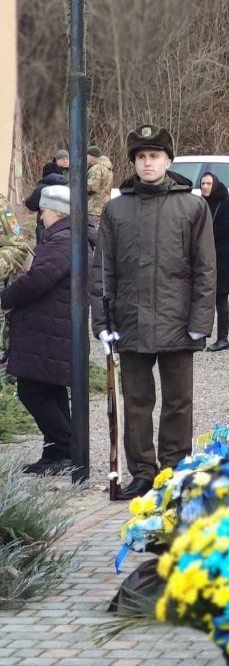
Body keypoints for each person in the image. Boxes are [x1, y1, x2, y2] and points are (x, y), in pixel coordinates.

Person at [91, 125, 215, 499]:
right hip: (130, 322)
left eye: (155, 156)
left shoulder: (192, 207)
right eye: (141, 157)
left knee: (178, 401)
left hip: (178, 321)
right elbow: (102, 271)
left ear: (168, 161)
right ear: (133, 162)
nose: (148, 163)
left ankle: (173, 468)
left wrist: (200, 322)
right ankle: (143, 472)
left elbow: (205, 270)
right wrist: (102, 322)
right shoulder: (116, 209)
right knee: (136, 402)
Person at [2, 185, 80, 478]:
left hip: (48, 327)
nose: (41, 217)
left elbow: (38, 280)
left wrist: (4, 298)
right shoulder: (65, 237)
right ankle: (57, 451)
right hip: (50, 326)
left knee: (33, 391)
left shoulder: (63, 241)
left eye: (44, 211)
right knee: (49, 389)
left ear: (57, 212)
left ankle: (67, 447)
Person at [199, 173, 229, 352]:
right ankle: (199, 336)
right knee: (201, 299)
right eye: (203, 183)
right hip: (202, 258)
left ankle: (223, 338)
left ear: (214, 185)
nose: (205, 186)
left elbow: (227, 230)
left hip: (222, 259)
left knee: (220, 299)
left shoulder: (227, 204)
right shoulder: (200, 203)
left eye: (208, 183)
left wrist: (203, 237)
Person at [86, 145, 113, 221]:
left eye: (87, 156)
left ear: (91, 156)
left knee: (92, 227)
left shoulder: (97, 168)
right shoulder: (108, 167)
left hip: (94, 207)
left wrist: (81, 186)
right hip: (105, 205)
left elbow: (93, 187)